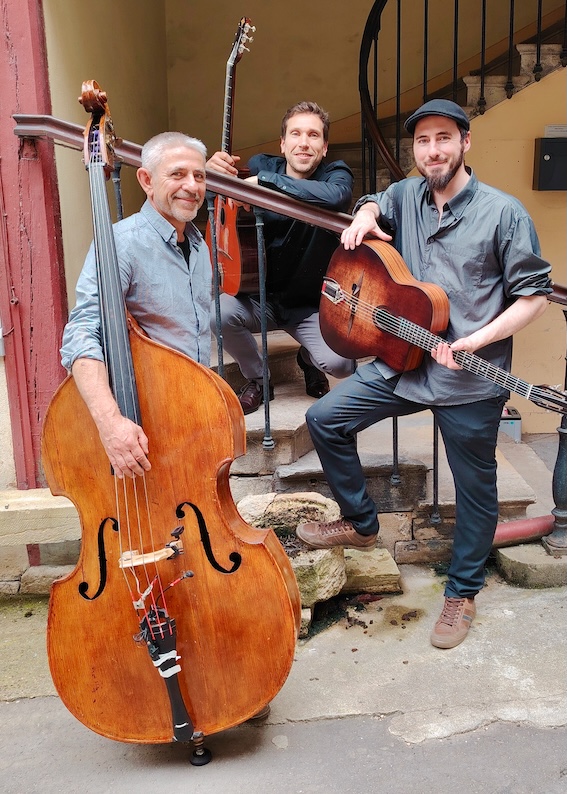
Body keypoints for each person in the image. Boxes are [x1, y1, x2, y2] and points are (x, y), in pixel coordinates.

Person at [295, 99, 552, 649]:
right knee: (326, 419)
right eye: (422, 141)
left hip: (470, 378)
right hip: (402, 363)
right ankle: (362, 524)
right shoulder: (404, 195)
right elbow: (375, 200)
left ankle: (461, 593)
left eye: (443, 138)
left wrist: (476, 340)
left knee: (475, 491)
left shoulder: (504, 214)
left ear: (465, 143)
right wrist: (365, 211)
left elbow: (533, 297)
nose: (432, 151)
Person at [60, 132, 212, 480]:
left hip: (190, 413)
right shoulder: (121, 244)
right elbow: (82, 333)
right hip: (141, 418)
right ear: (146, 180)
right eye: (177, 174)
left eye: (199, 176)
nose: (192, 186)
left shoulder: (199, 246)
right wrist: (110, 422)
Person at [206, 100, 355, 414]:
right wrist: (211, 176)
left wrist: (264, 184)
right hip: (259, 297)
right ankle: (259, 379)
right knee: (219, 313)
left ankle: (307, 359)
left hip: (308, 305)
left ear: (325, 147)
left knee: (342, 364)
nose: (304, 143)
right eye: (296, 134)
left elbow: (335, 197)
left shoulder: (335, 175)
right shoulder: (261, 164)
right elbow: (211, 200)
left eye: (313, 135)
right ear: (283, 144)